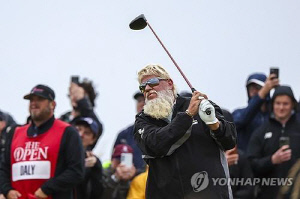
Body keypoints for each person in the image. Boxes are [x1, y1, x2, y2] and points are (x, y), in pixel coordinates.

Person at [134, 64, 237, 199]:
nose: (147, 88)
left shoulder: (200, 105)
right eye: (143, 87)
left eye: (153, 82)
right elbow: (156, 144)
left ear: (170, 83)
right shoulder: (143, 120)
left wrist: (215, 124)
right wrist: (188, 116)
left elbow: (230, 141)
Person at [0, 84, 85, 199]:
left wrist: (47, 189)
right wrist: (7, 190)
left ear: (52, 104)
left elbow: (76, 171)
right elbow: (3, 168)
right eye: (31, 100)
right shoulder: (15, 133)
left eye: (40, 99)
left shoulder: (67, 132)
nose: (34, 103)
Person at [247, 85, 300, 199]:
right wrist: (272, 160)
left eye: (285, 104)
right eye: (278, 103)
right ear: (272, 105)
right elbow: (251, 165)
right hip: (268, 193)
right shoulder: (261, 131)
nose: (281, 108)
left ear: (292, 105)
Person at [232, 73, 279, 152]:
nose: (253, 90)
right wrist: (262, 94)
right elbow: (241, 120)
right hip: (247, 161)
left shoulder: (275, 115)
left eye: (258, 87)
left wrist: (281, 92)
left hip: (270, 161)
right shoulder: (239, 113)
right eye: (250, 87)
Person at [60, 77, 103, 145]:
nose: (74, 97)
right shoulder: (64, 117)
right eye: (72, 94)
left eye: (78, 94)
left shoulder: (92, 121)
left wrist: (81, 100)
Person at [113, 92, 145, 173]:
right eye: (139, 101)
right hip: (128, 182)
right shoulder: (124, 134)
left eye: (145, 100)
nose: (142, 103)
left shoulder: (162, 130)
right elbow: (114, 163)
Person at [75, 117, 104, 199]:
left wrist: (96, 166)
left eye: (87, 133)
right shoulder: (58, 151)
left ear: (93, 140)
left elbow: (96, 193)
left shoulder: (93, 163)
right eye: (78, 129)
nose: (81, 135)